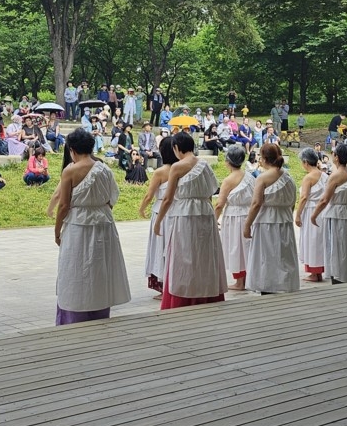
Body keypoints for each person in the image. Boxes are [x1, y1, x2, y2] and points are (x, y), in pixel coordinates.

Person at [51, 129, 131, 324]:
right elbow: (113, 197)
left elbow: (63, 205)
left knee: (76, 269)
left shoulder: (70, 170)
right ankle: (99, 313)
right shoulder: (103, 168)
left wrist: (57, 231)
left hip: (79, 224)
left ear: (72, 149)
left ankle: (74, 316)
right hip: (103, 223)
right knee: (99, 268)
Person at [153, 132, 226, 309]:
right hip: (205, 213)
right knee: (204, 256)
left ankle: (184, 296)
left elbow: (168, 198)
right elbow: (210, 193)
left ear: (176, 148)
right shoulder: (204, 165)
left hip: (185, 215)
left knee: (184, 256)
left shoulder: (177, 167)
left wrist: (158, 222)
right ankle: (207, 295)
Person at [243, 143, 299, 294]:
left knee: (267, 256)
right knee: (284, 256)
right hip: (284, 220)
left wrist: (247, 225)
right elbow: (293, 200)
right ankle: (285, 285)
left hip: (267, 221)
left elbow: (256, 203)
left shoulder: (263, 178)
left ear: (265, 158)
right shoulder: (288, 176)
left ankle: (267, 286)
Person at [311, 143, 347, 284]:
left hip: (337, 214)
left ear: (337, 157)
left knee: (338, 247)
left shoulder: (336, 175)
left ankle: (339, 277)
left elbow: (324, 199)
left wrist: (314, 215)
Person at [139, 136, 177, 296]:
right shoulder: (182, 170)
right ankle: (173, 283)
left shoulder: (160, 172)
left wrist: (141, 208)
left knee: (160, 248)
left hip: (160, 211)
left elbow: (149, 195)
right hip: (176, 211)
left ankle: (164, 285)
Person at [214, 145, 255, 292]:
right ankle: (245, 278)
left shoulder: (228, 180)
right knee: (245, 247)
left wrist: (213, 220)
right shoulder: (250, 176)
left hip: (233, 216)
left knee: (235, 247)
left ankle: (239, 282)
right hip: (248, 214)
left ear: (228, 161)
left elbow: (219, 204)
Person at [295, 148, 327, 282]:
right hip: (322, 210)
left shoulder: (308, 177)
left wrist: (298, 214)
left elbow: (303, 197)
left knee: (312, 240)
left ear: (306, 162)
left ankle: (314, 272)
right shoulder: (324, 175)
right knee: (319, 240)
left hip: (311, 210)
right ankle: (318, 270)